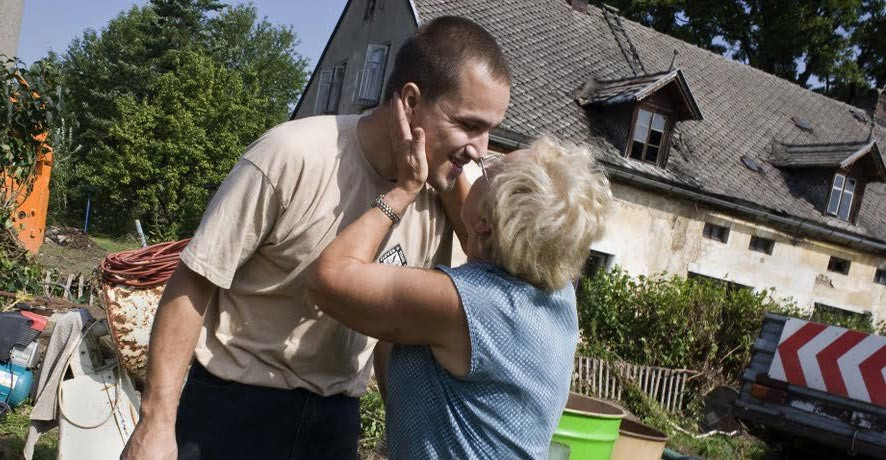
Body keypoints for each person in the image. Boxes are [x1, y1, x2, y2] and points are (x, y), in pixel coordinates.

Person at [120, 16, 511, 460]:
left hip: (334, 424)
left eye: (491, 130)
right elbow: (194, 282)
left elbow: (405, 329)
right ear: (411, 101)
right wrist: (156, 422)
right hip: (234, 411)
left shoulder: (438, 196)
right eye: (469, 125)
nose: (481, 148)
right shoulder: (292, 156)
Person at [307, 124, 613, 459]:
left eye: (487, 171)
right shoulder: (556, 294)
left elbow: (329, 279)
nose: (477, 161)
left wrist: (403, 191)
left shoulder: (469, 305)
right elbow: (482, 243)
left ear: (487, 222)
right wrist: (446, 176)